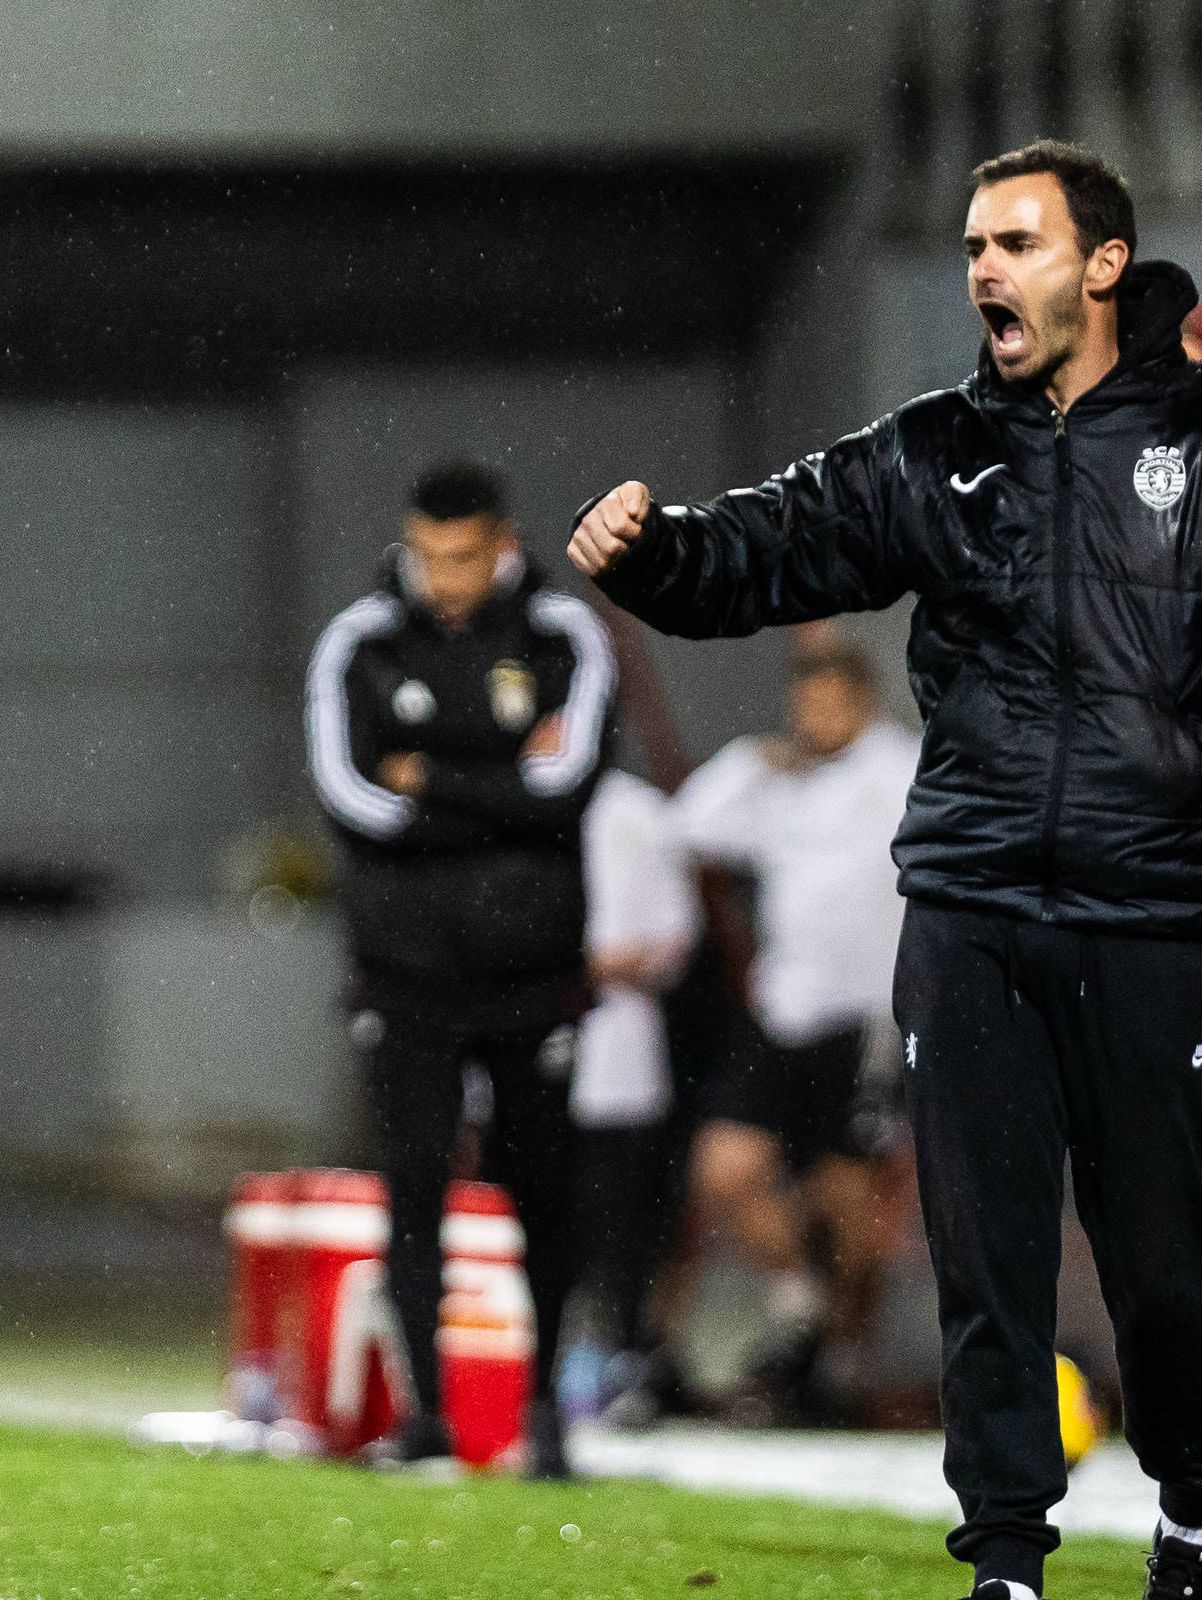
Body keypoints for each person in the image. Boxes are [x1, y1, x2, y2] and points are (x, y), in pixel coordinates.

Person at [569, 139, 1202, 1600]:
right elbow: (773, 547)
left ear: (1103, 265)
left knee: (1163, 1264)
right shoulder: (933, 450)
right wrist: (655, 556)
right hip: (972, 907)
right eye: (973, 249)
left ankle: (1198, 1507)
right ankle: (1006, 1560)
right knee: (985, 1259)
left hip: (1155, 917)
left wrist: (1196, 743)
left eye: (1016, 243)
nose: (985, 272)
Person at [305, 458, 614, 1478]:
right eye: (429, 556)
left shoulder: (563, 635)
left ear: (503, 545)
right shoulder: (359, 642)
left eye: (465, 556)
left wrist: (429, 776)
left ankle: (545, 1411)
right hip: (406, 971)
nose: (445, 577)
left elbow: (567, 789)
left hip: (532, 968)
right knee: (414, 1188)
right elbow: (350, 800)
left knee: (544, 1189)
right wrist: (502, 787)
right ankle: (425, 1416)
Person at [669, 642, 919, 1424]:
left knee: (848, 1205)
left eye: (831, 703)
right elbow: (690, 825)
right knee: (724, 1168)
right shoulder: (780, 783)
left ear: (863, 703)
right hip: (782, 1013)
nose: (816, 719)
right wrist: (751, 759)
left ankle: (841, 1362)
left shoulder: (900, 772)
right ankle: (799, 1303)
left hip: (865, 1019)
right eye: (805, 705)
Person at [569, 766, 698, 1414]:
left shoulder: (636, 812)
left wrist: (579, 963)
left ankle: (628, 1355)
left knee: (623, 1220)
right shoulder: (497, 794)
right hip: (524, 1043)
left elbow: (674, 939)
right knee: (537, 1212)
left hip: (615, 1049)